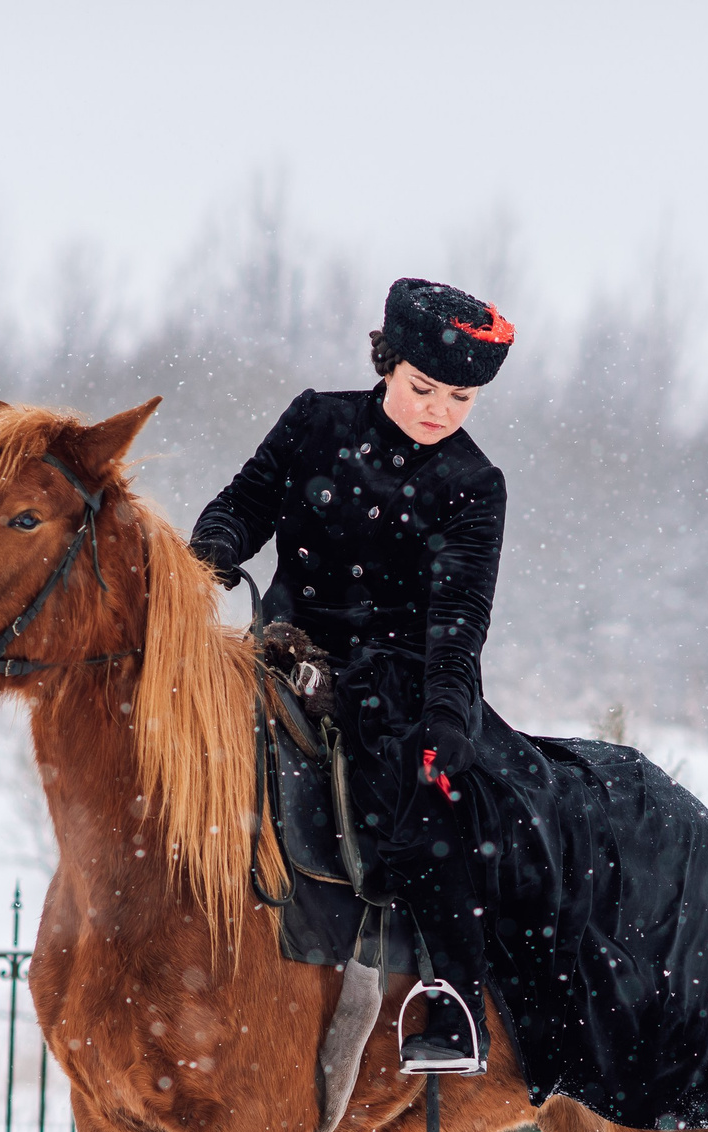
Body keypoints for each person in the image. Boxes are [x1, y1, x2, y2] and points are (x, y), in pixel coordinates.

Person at [189, 278, 516, 1073]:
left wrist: (445, 716)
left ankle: (451, 1001)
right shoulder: (316, 421)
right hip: (283, 648)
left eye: (460, 398)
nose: (438, 410)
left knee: (434, 800)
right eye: (423, 388)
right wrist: (212, 553)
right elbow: (242, 504)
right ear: (388, 363)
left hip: (401, 679)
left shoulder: (475, 486)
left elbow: (459, 621)